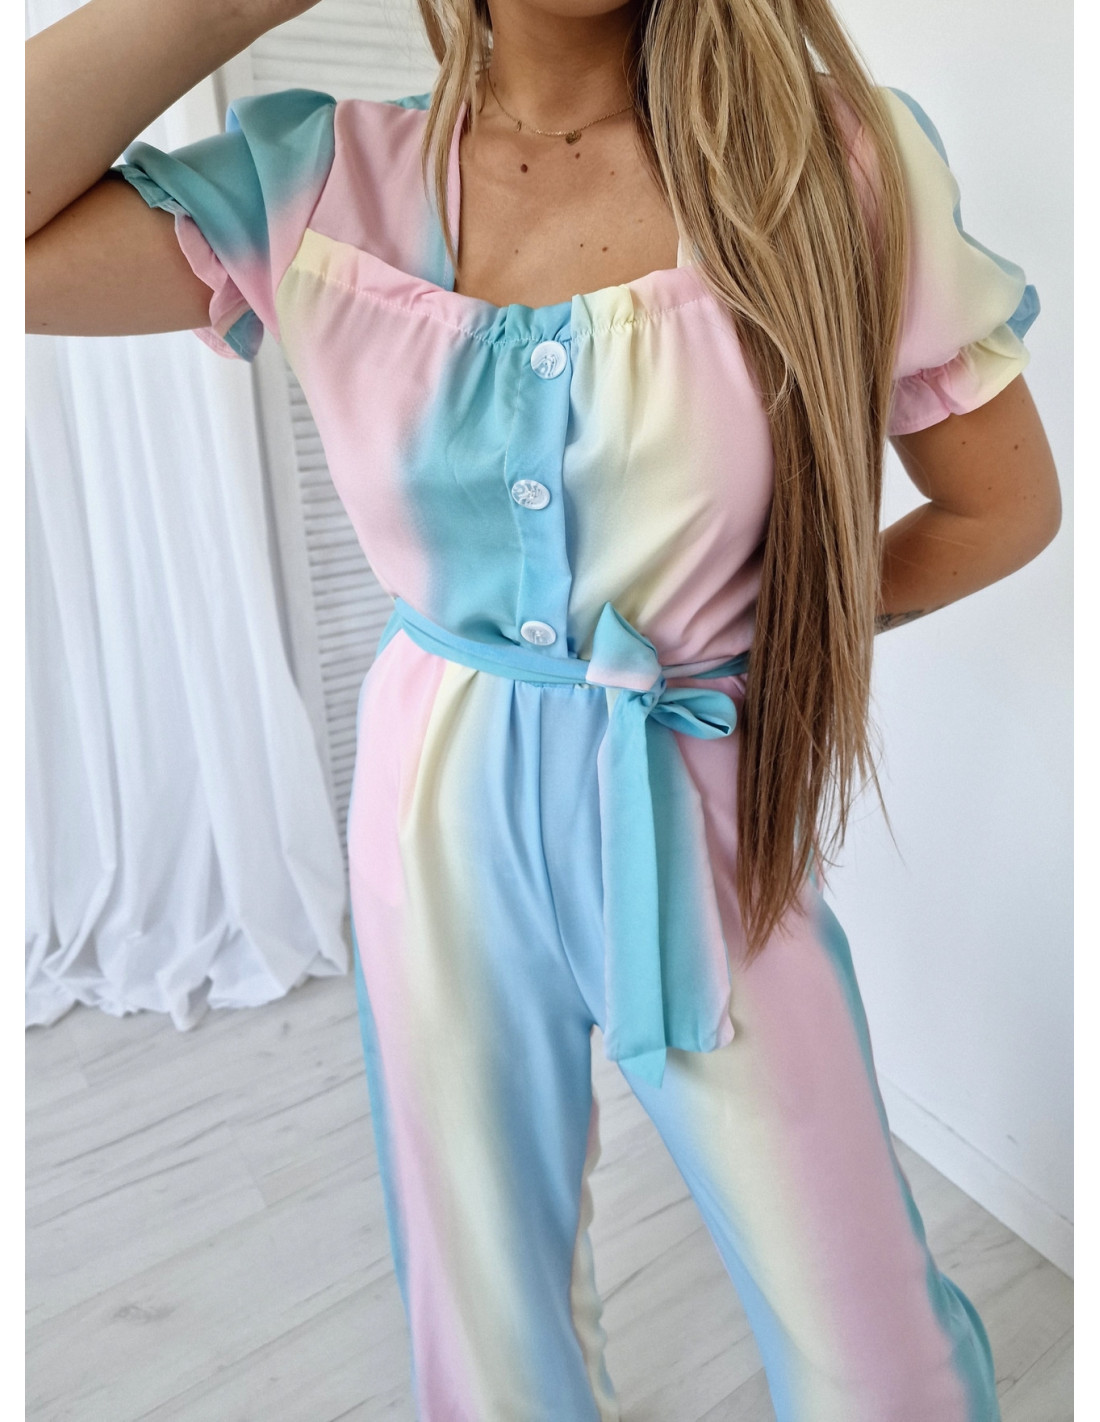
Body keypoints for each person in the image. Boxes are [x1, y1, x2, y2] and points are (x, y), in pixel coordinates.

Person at [26, 0, 1061, 1418]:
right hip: (432, 804)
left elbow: (1000, 505)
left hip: (696, 780)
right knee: (485, 1304)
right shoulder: (317, 180)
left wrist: (786, 629)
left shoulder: (832, 167)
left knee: (871, 1334)